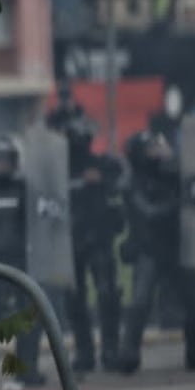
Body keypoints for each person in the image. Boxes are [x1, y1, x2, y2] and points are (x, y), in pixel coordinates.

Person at [118, 130, 195, 374]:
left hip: (177, 249)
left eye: (159, 146)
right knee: (140, 302)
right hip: (150, 250)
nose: (159, 151)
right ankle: (128, 355)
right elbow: (150, 212)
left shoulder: (173, 174)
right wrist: (181, 202)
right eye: (152, 148)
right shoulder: (133, 181)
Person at [0, 135, 46, 387]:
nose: (3, 165)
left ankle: (27, 371)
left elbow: (37, 223)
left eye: (7, 160)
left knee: (27, 318)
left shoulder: (24, 188)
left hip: (20, 264)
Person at [62, 116, 125, 372]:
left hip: (100, 238)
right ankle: (84, 351)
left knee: (107, 294)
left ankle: (110, 349)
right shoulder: (61, 169)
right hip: (72, 239)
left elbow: (120, 181)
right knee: (75, 300)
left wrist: (101, 179)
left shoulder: (102, 164)